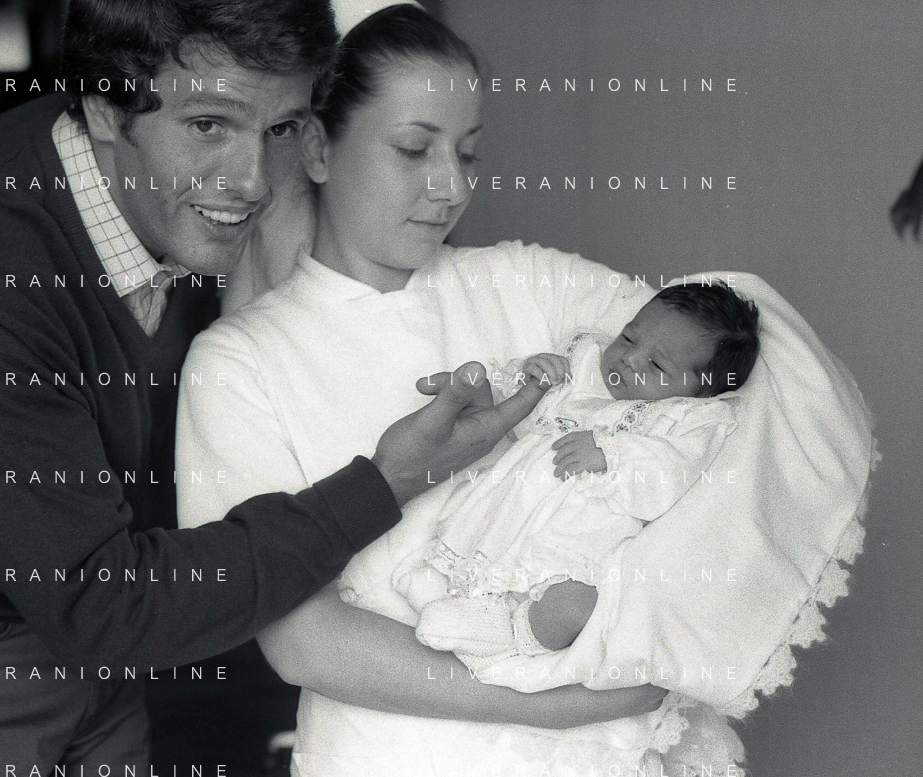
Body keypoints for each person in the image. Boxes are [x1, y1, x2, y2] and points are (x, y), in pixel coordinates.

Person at [0, 2, 543, 774]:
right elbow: (99, 606)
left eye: (281, 128)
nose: (251, 182)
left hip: (104, 628)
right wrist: (384, 483)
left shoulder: (158, 194)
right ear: (103, 108)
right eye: (208, 125)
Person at [177, 4, 875, 776]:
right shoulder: (238, 364)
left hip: (609, 754)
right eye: (413, 149)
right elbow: (304, 641)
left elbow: (746, 359)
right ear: (316, 147)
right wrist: (561, 696)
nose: (450, 186)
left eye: (468, 153)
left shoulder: (530, 282)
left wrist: (657, 604)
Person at [398, 282, 761, 668]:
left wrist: (612, 455)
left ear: (700, 391)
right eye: (628, 338)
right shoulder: (583, 363)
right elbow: (516, 421)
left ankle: (512, 631)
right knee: (475, 525)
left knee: (573, 605)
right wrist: (531, 378)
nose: (629, 359)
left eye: (656, 366)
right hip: (514, 496)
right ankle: (450, 584)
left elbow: (673, 472)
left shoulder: (687, 417)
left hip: (578, 533)